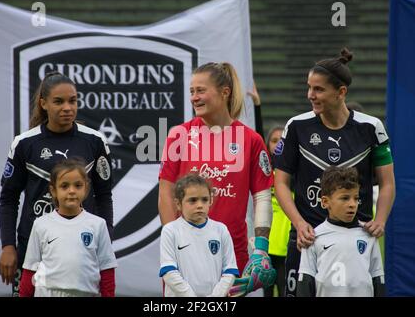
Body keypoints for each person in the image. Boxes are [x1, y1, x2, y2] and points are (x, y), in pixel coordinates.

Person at [274, 48, 395, 297]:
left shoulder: (372, 127)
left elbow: (387, 183)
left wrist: (380, 219)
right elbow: (281, 183)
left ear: (341, 92)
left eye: (318, 89)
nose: (310, 95)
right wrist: (299, 223)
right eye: (309, 88)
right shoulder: (296, 126)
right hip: (307, 239)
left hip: (355, 240)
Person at [158, 62, 275, 296]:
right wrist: (175, 243)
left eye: (201, 90)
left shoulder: (251, 140)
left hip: (233, 256)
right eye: (191, 91)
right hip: (186, 255)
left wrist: (261, 249)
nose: (194, 97)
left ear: (225, 92)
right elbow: (166, 194)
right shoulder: (178, 135)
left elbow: (262, 196)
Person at [0, 71, 114, 296]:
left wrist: (106, 240)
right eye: (59, 102)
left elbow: (104, 196)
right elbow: (8, 198)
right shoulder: (24, 143)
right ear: (43, 104)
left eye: (73, 100)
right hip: (33, 249)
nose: (68, 107)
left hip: (83, 249)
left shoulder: (95, 141)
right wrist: (8, 246)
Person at [19, 158, 117, 297]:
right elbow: (30, 269)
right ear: (53, 190)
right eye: (64, 186)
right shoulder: (41, 224)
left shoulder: (98, 224)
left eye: (78, 185)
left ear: (86, 188)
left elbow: (106, 270)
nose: (71, 191)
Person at [297, 166, 385, 297]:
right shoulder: (313, 237)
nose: (352, 204)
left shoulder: (368, 236)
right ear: (326, 202)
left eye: (356, 198)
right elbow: (305, 283)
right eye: (345, 198)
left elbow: (378, 280)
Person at [159, 174, 239, 297]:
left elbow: (230, 270)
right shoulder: (170, 230)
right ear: (178, 204)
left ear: (210, 201)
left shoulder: (221, 230)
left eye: (204, 199)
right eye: (193, 200)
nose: (200, 205)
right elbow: (169, 272)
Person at [263, 125, 291, 297]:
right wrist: (257, 106)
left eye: (282, 140)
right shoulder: (263, 171)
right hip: (266, 238)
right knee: (265, 290)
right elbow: (257, 131)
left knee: (284, 288)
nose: (278, 144)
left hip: (286, 240)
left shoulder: (293, 172)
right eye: (274, 141)